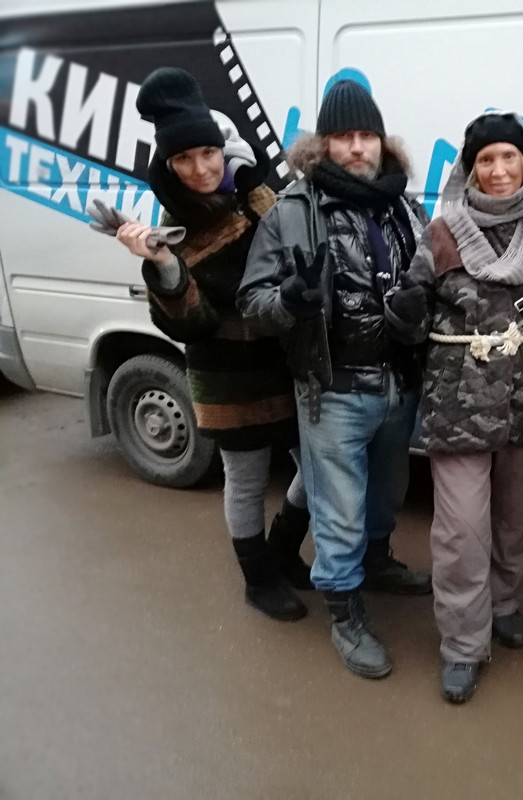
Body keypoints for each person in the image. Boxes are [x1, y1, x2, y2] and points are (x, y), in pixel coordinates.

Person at [238, 79, 432, 680]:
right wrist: (289, 302)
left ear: (382, 141)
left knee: (386, 495)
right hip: (334, 391)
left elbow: (429, 283)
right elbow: (251, 302)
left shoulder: (405, 206)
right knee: (339, 512)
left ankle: (376, 563)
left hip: (399, 385)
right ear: (324, 145)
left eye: (366, 135)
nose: (356, 147)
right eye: (344, 136)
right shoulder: (293, 211)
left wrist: (419, 312)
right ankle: (345, 615)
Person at [110, 67, 311, 622]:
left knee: (316, 471)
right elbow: (190, 324)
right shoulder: (173, 228)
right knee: (245, 480)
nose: (200, 169)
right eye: (184, 159)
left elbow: (296, 243)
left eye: (208, 153)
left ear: (225, 149)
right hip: (227, 375)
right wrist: (163, 265)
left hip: (286, 363)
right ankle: (258, 580)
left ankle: (282, 551)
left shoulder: (258, 194)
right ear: (168, 165)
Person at [405, 111, 523, 703]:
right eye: (485, 159)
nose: (498, 169)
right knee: (462, 529)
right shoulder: (441, 233)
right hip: (457, 402)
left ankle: (505, 602)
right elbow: (412, 309)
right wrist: (404, 313)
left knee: (515, 518)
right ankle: (462, 644)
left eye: (508, 156)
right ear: (469, 167)